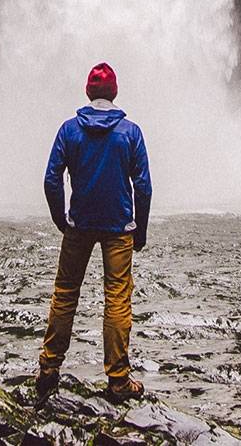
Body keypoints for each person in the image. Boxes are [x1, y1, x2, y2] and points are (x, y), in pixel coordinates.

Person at [36, 61, 152, 403]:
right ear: (114, 93)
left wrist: (62, 219)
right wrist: (140, 230)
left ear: (88, 92)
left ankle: (48, 369)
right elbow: (143, 186)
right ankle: (118, 379)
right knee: (117, 298)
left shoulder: (70, 130)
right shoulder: (130, 133)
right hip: (118, 227)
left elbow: (51, 179)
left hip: (79, 225)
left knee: (65, 294)